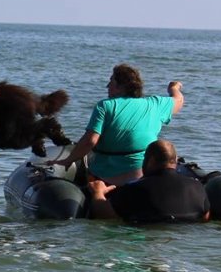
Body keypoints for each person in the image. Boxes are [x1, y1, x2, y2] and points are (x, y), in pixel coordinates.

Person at [46, 64, 184, 185]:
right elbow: (178, 100)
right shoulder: (155, 104)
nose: (107, 86)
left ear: (121, 86)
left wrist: (68, 160)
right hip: (142, 175)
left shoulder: (105, 106)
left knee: (83, 171)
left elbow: (90, 141)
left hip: (106, 177)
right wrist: (174, 87)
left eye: (111, 81)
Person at [88, 139, 210, 222]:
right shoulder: (197, 186)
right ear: (176, 160)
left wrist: (98, 193)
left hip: (148, 238)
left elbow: (105, 215)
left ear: (150, 161)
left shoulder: (134, 189)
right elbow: (205, 217)